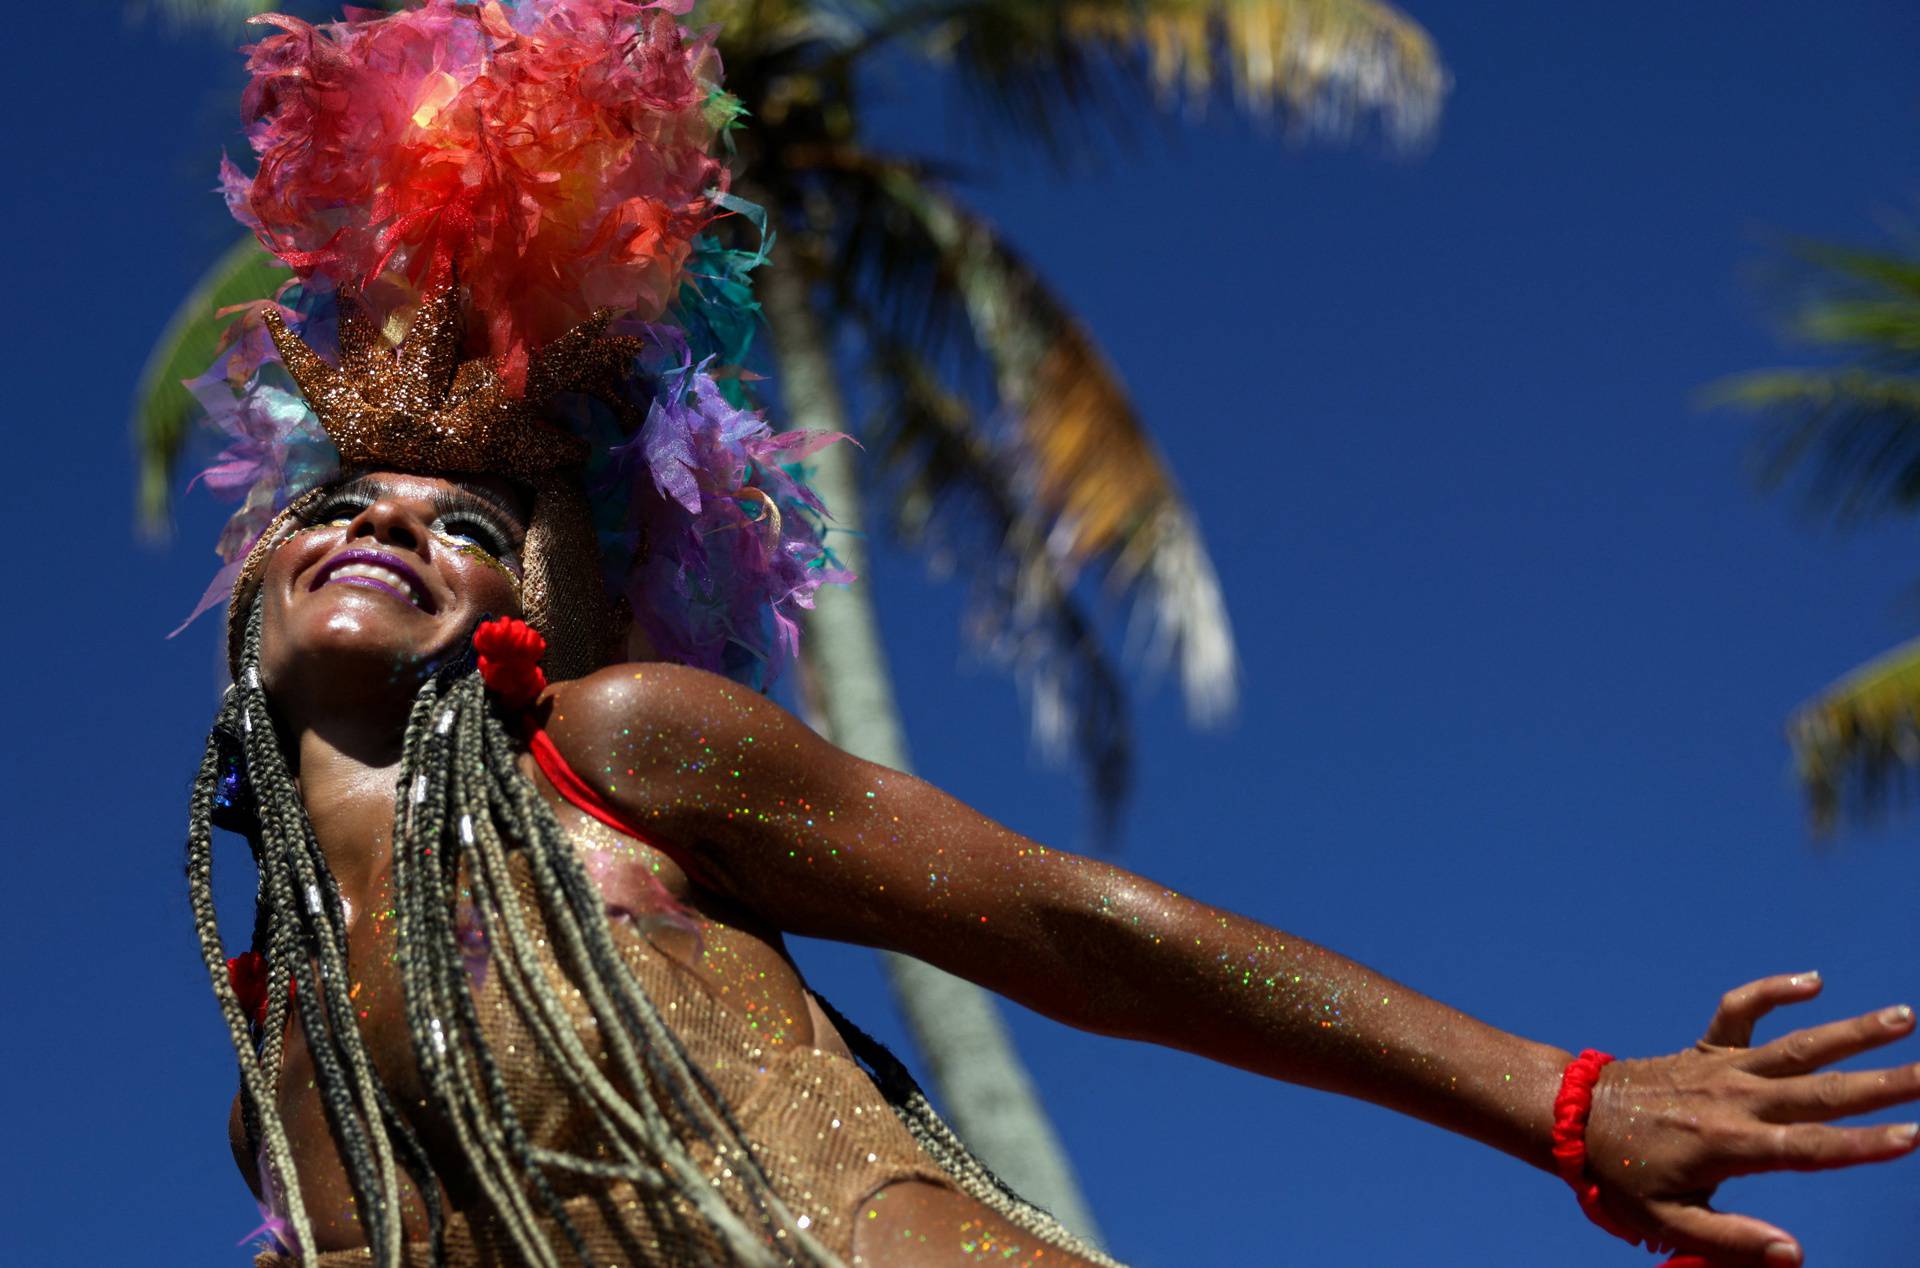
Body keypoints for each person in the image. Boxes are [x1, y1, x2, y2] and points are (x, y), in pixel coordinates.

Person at [178, 4, 1920, 1266]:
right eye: (340, 503)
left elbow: (1058, 922)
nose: (391, 520)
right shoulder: (279, 1056)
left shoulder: (615, 753)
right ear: (251, 600)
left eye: (466, 522)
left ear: (529, 615)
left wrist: (1562, 1099)